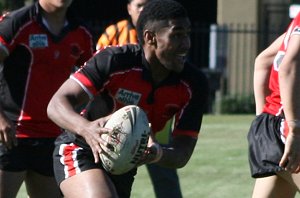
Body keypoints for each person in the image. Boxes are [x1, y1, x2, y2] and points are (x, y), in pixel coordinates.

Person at [47, 0, 209, 197]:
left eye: (187, 34)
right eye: (176, 35)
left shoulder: (194, 84)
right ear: (151, 37)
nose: (186, 44)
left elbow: (182, 152)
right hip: (81, 148)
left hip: (123, 164)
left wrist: (158, 153)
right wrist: (87, 129)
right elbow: (56, 104)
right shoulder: (115, 61)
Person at [0, 0, 94, 197]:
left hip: (53, 137)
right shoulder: (17, 22)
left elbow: (94, 85)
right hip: (10, 135)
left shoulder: (81, 31)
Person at [95, 0, 183, 197]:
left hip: (155, 119)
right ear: (128, 8)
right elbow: (96, 76)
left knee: (163, 172)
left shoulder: (165, 35)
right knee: (105, 173)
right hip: (114, 120)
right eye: (140, 5)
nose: (145, 10)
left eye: (149, 5)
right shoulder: (114, 33)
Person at [248, 11, 300, 198]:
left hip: (275, 126)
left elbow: (263, 60)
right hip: (287, 130)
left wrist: (262, 120)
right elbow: (288, 66)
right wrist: (294, 130)